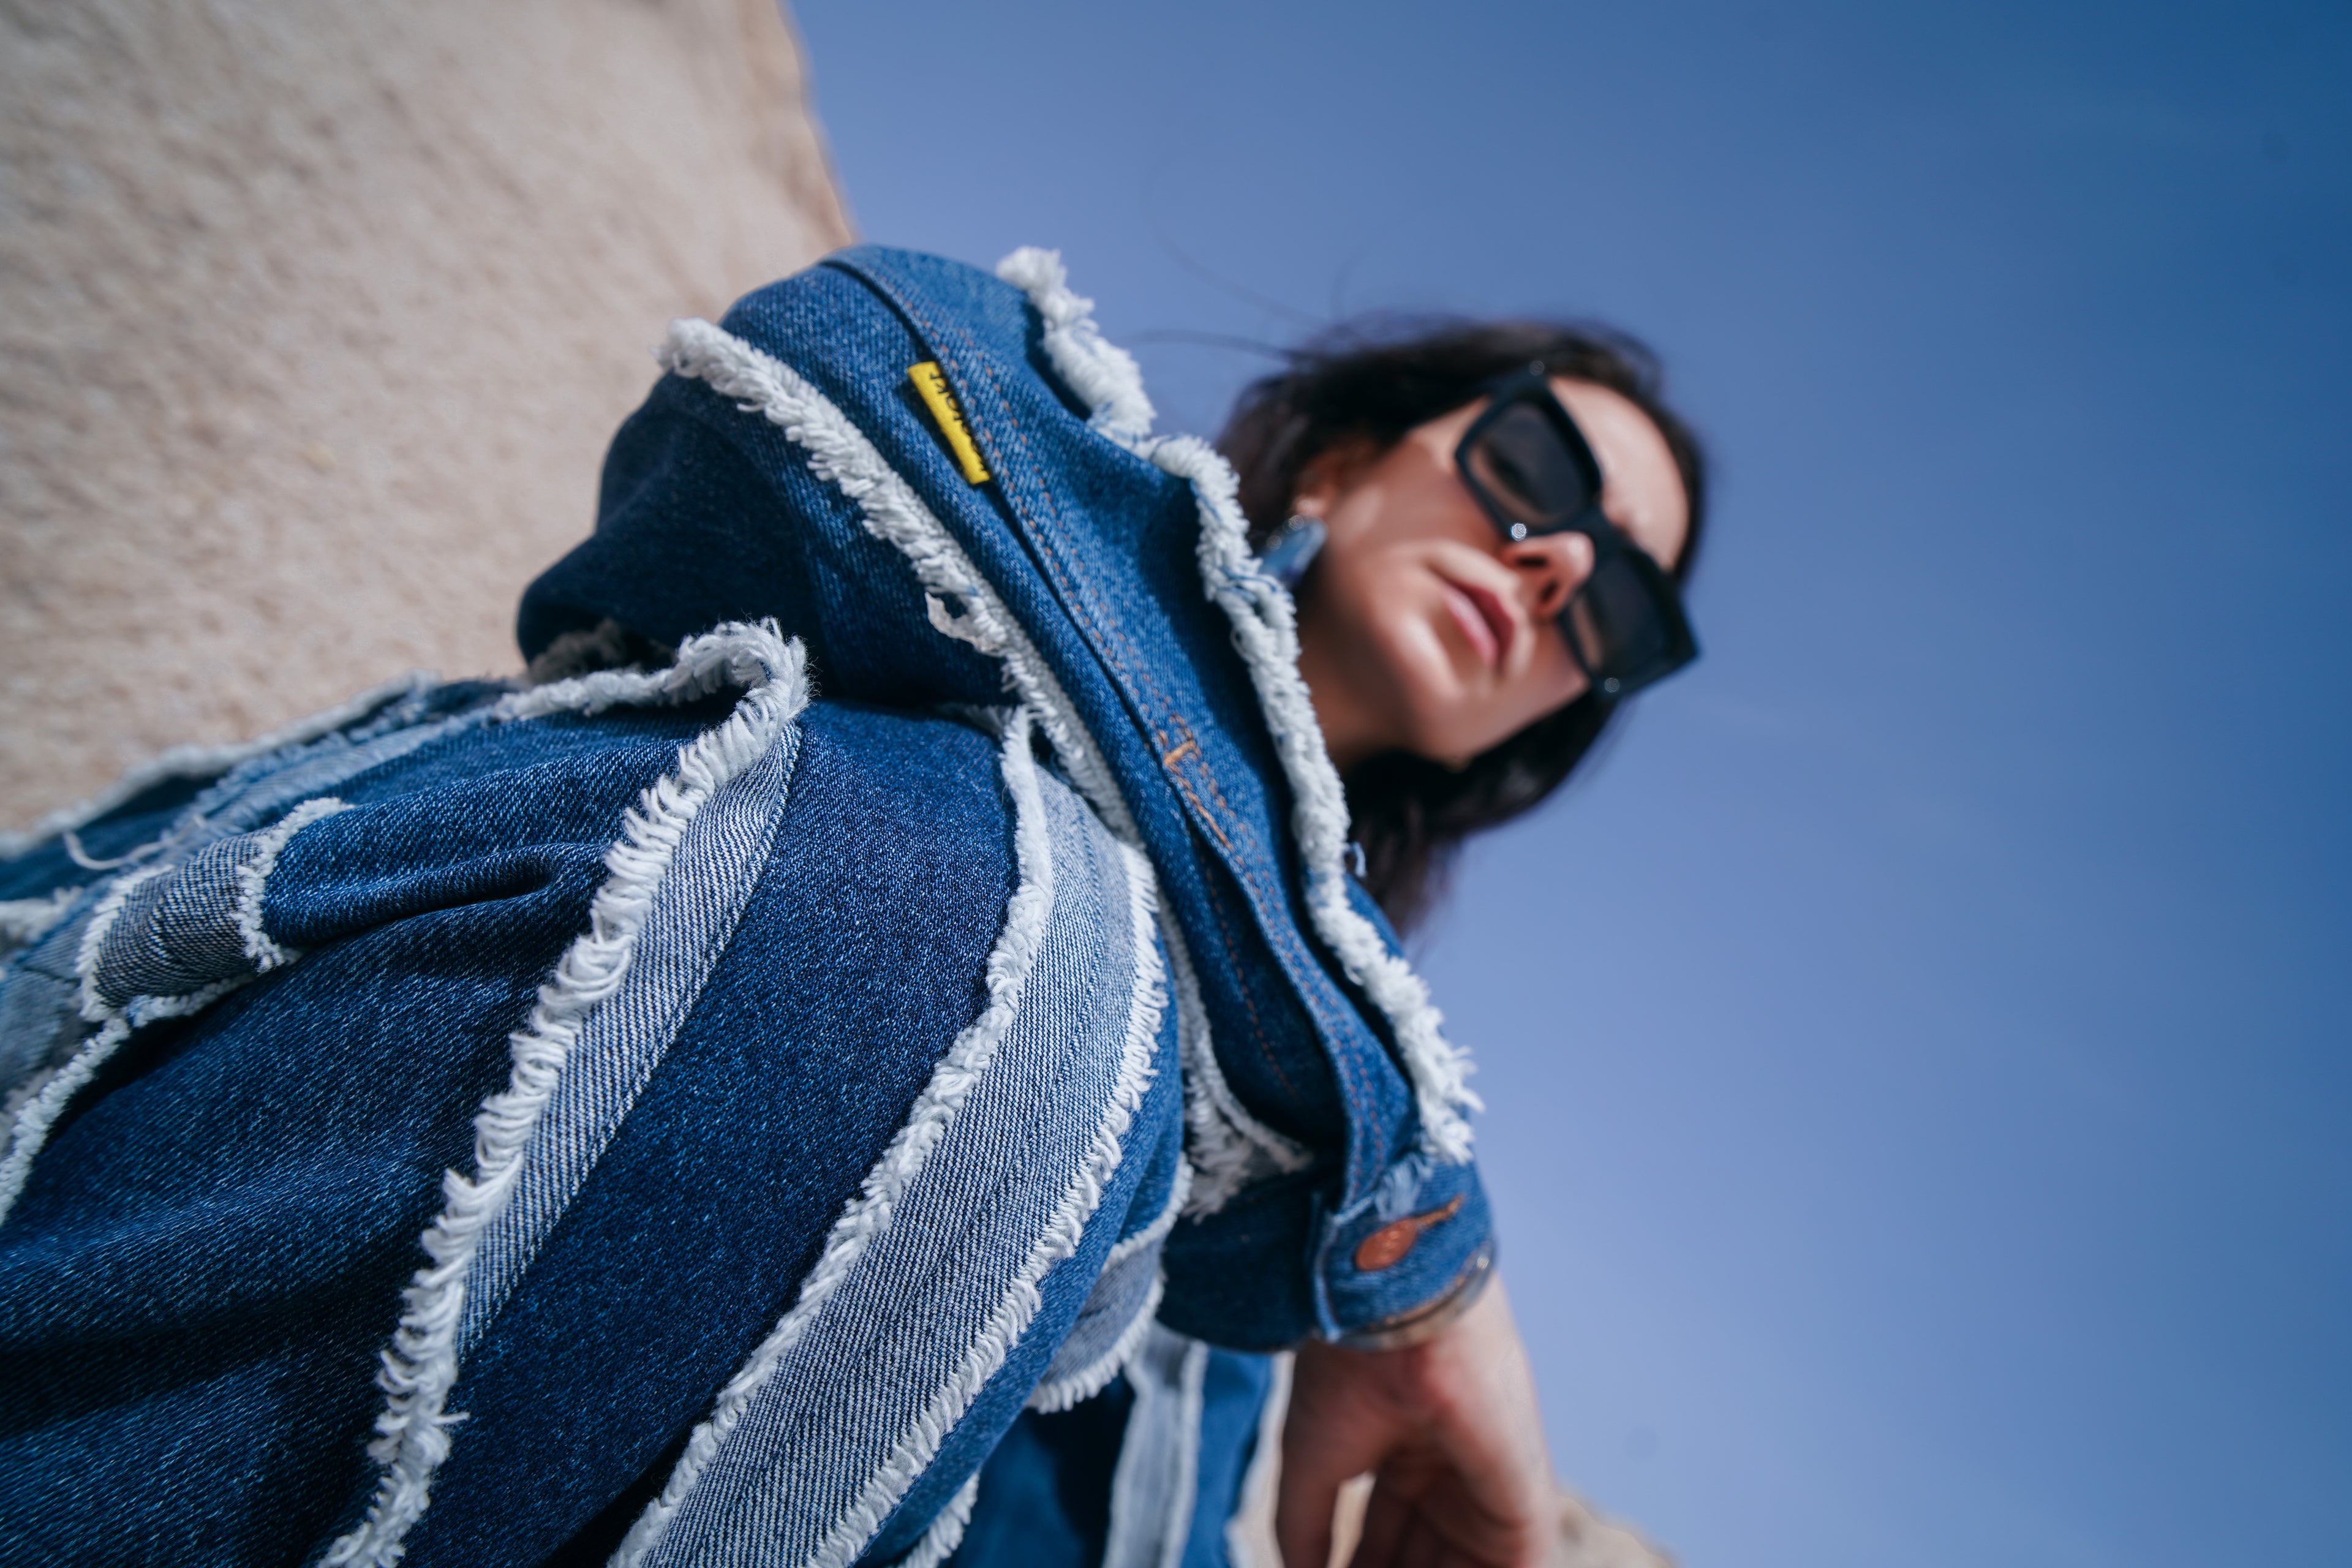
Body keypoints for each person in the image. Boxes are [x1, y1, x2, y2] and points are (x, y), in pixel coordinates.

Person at [0, 246, 1704, 1568]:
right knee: (1002, 925)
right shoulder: (1026, 434)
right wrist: (1418, 1252)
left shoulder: (1303, 1159)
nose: (1560, 567)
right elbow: (833, 372)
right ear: (1338, 462)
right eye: (1535, 466)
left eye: (1622, 612)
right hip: (190, 1115)